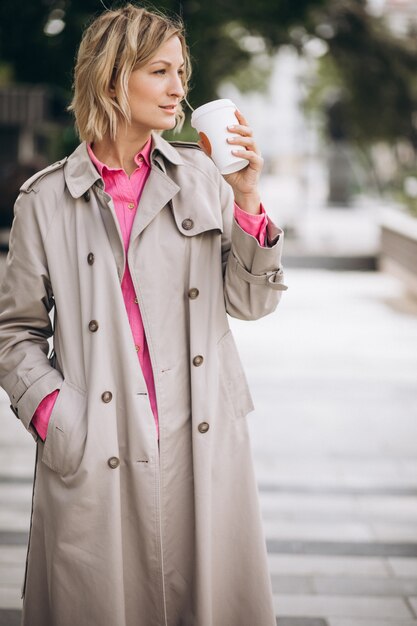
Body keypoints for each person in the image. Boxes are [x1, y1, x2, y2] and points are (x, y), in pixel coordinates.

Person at [0, 4, 287, 625]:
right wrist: (55, 413)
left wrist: (247, 198)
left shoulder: (204, 178)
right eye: (160, 71)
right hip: (97, 444)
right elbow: (15, 332)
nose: (180, 89)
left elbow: (251, 301)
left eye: (181, 72)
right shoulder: (46, 199)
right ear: (111, 79)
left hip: (200, 441)